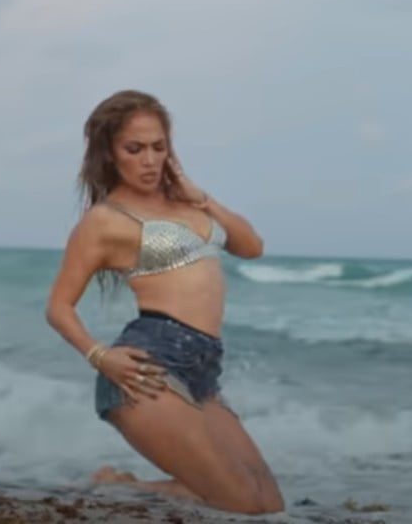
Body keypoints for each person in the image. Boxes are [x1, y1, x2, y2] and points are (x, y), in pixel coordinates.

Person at [43, 90, 285, 515]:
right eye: (134, 149)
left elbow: (252, 246)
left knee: (269, 504)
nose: (150, 160)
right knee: (241, 503)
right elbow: (58, 307)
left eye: (158, 147)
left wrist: (202, 197)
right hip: (148, 367)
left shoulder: (187, 202)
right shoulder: (104, 221)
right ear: (109, 153)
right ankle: (115, 489)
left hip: (203, 367)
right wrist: (100, 357)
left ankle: (124, 487)